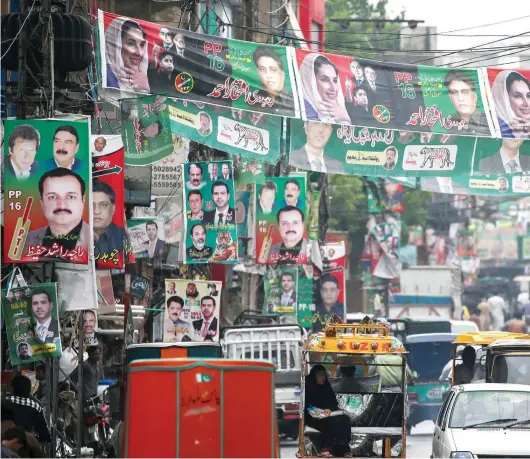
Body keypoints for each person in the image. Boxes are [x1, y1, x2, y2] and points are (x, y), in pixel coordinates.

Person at [24, 168, 90, 256]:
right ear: (42, 202)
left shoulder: (97, 239)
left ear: (83, 200)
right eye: (52, 197)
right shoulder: (27, 240)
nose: (62, 205)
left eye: (71, 197)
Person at [304, 365, 351, 457]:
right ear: (314, 376)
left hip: (328, 413)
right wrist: (320, 409)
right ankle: (325, 448)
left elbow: (333, 402)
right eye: (320, 375)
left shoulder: (326, 386)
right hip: (313, 416)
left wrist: (329, 409)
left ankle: (344, 447)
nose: (322, 378)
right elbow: (307, 403)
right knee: (329, 422)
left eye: (323, 375)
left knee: (344, 419)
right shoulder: (309, 386)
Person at [299, 53, 351, 124]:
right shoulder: (300, 110)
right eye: (325, 80)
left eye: (335, 81)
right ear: (310, 81)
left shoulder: (340, 111)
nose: (333, 88)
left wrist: (346, 118)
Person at [104, 17, 150, 92]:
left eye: (142, 45)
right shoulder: (104, 77)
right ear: (114, 46)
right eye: (131, 43)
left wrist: (145, 88)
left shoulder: (142, 79)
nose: (139, 53)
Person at [4, 375, 50, 442]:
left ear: (12, 389)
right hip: (26, 446)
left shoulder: (4, 403)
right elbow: (45, 436)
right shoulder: (36, 406)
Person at [443, 70, 489, 136]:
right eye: (454, 93)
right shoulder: (446, 124)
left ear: (475, 96)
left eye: (465, 92)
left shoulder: (489, 122)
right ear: (450, 97)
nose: (460, 99)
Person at [252, 46, 292, 116]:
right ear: (258, 72)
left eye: (273, 70)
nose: (268, 75)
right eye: (262, 69)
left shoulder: (295, 102)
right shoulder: (253, 99)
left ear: (282, 74)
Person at [491, 70, 530, 139]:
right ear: (503, 98)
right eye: (518, 96)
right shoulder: (497, 128)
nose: (527, 103)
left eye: (528, 96)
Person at [93, 180, 125, 259]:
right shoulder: (74, 236)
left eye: (103, 205)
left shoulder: (123, 236)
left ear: (113, 209)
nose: (96, 211)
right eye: (91, 205)